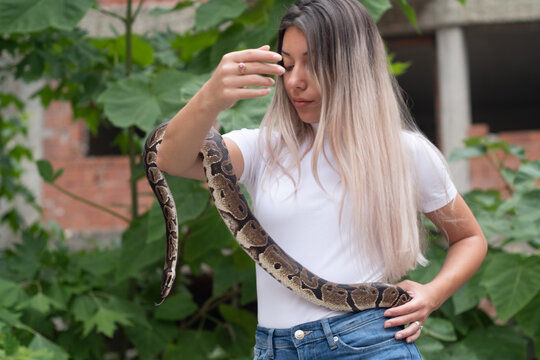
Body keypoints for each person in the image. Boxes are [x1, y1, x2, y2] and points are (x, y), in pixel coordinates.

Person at [156, 0, 487, 358]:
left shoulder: (405, 153)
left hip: (367, 343)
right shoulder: (264, 148)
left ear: (352, 65)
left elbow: (469, 237)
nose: (295, 80)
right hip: (273, 348)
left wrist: (433, 293)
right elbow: (171, 159)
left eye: (313, 62)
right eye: (288, 63)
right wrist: (210, 96)